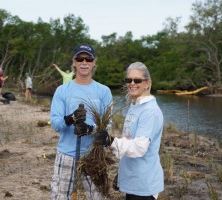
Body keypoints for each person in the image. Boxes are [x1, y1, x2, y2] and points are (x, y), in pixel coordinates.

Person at [50, 44, 113, 200]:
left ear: (94, 63)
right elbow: (55, 124)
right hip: (67, 155)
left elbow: (108, 126)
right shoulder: (62, 90)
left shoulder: (103, 91)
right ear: (74, 62)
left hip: (94, 156)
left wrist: (88, 129)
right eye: (80, 58)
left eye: (88, 59)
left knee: (99, 197)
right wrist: (70, 118)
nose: (84, 62)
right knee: (60, 197)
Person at [96, 62, 164, 200]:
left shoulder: (150, 111)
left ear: (147, 83)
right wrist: (122, 175)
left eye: (137, 80)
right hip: (133, 181)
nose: (132, 83)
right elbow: (128, 141)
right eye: (129, 80)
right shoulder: (135, 106)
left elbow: (139, 148)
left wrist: (110, 141)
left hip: (144, 186)